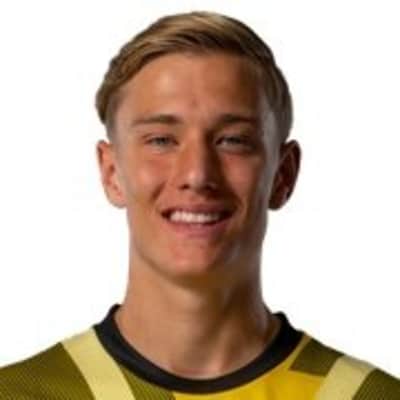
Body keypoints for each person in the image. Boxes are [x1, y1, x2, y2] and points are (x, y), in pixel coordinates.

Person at [0, 10, 399, 400]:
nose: (196, 173)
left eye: (232, 140)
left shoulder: (365, 395)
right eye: (161, 140)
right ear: (111, 172)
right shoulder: (21, 393)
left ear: (283, 174)